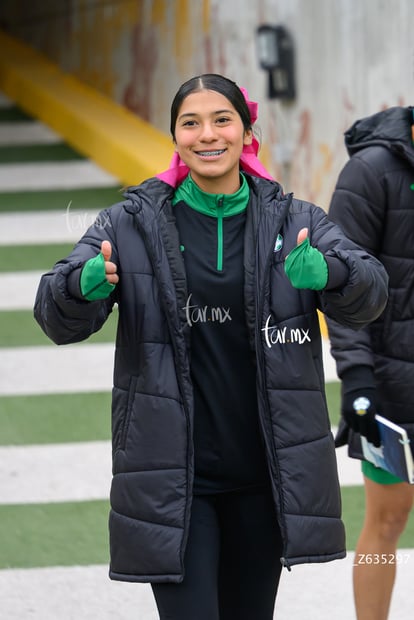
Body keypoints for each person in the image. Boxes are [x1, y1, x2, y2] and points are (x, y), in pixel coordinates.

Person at [34, 74, 388, 620]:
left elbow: (370, 292)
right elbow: (55, 313)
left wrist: (333, 272)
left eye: (221, 120)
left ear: (248, 132)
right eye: (190, 123)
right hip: (174, 480)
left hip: (264, 478)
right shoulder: (129, 224)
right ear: (174, 137)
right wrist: (78, 289)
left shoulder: (295, 220)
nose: (207, 135)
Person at [326, 105, 414, 620]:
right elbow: (344, 285)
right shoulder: (371, 171)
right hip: (389, 389)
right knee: (387, 520)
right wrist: (357, 379)